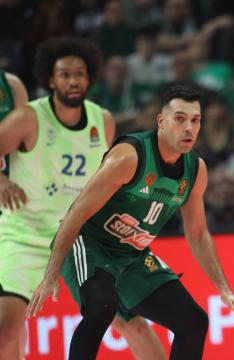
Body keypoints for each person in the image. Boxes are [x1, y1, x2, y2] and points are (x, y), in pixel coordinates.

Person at [26, 84, 234, 359]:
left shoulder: (195, 170)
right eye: (180, 118)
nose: (189, 128)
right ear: (161, 121)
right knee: (102, 307)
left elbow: (198, 234)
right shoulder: (129, 156)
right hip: (89, 243)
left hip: (132, 255)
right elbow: (76, 213)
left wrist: (224, 290)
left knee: (193, 323)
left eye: (195, 120)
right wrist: (51, 275)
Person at [0, 38, 167, 360]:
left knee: (131, 322)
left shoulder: (101, 120)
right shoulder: (27, 118)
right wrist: (3, 180)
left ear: (90, 78)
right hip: (26, 234)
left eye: (79, 74)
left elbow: (107, 180)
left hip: (80, 236)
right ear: (50, 80)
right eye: (64, 74)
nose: (73, 80)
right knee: (6, 328)